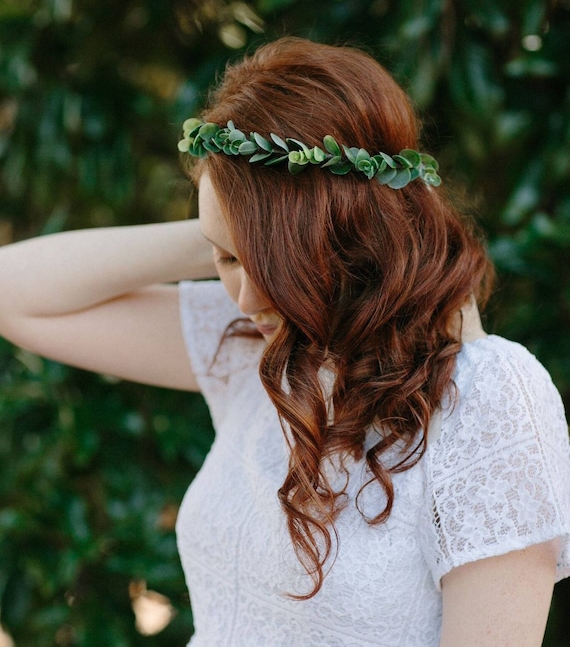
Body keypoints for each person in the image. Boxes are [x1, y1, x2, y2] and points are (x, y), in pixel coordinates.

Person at [0, 37, 569, 647]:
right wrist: (229, 222)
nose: (245, 298)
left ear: (353, 237)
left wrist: (253, 234)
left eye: (273, 266)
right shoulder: (264, 345)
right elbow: (14, 294)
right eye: (226, 262)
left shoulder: (489, 396)